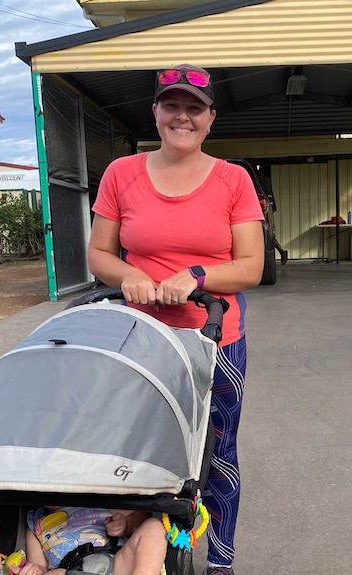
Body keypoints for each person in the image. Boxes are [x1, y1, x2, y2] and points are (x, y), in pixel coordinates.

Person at [87, 63, 265, 575]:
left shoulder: (234, 179)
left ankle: (221, 563)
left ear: (211, 118)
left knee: (216, 450)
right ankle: (139, 547)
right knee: (135, 443)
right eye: (172, 106)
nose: (181, 117)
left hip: (215, 340)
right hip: (140, 337)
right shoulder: (123, 173)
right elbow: (99, 252)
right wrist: (128, 276)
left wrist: (198, 274)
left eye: (194, 108)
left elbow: (249, 266)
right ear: (155, 113)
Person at [16, 506, 167, 575]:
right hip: (70, 569)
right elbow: (39, 565)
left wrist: (126, 525)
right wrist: (35, 570)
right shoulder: (36, 523)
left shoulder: (100, 498)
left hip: (118, 561)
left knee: (153, 527)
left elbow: (140, 520)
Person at [257, 166, 288, 264]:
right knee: (269, 234)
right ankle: (281, 252)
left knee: (268, 234)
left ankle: (280, 252)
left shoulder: (262, 184)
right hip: (268, 208)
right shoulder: (266, 185)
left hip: (265, 210)